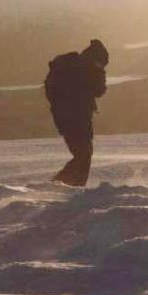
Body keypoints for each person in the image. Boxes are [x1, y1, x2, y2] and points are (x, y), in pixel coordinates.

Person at [44, 39, 108, 187]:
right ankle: (62, 185)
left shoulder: (72, 66)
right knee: (83, 155)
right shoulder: (87, 70)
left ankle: (66, 184)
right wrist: (99, 72)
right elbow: (99, 91)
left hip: (66, 118)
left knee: (83, 155)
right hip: (76, 120)